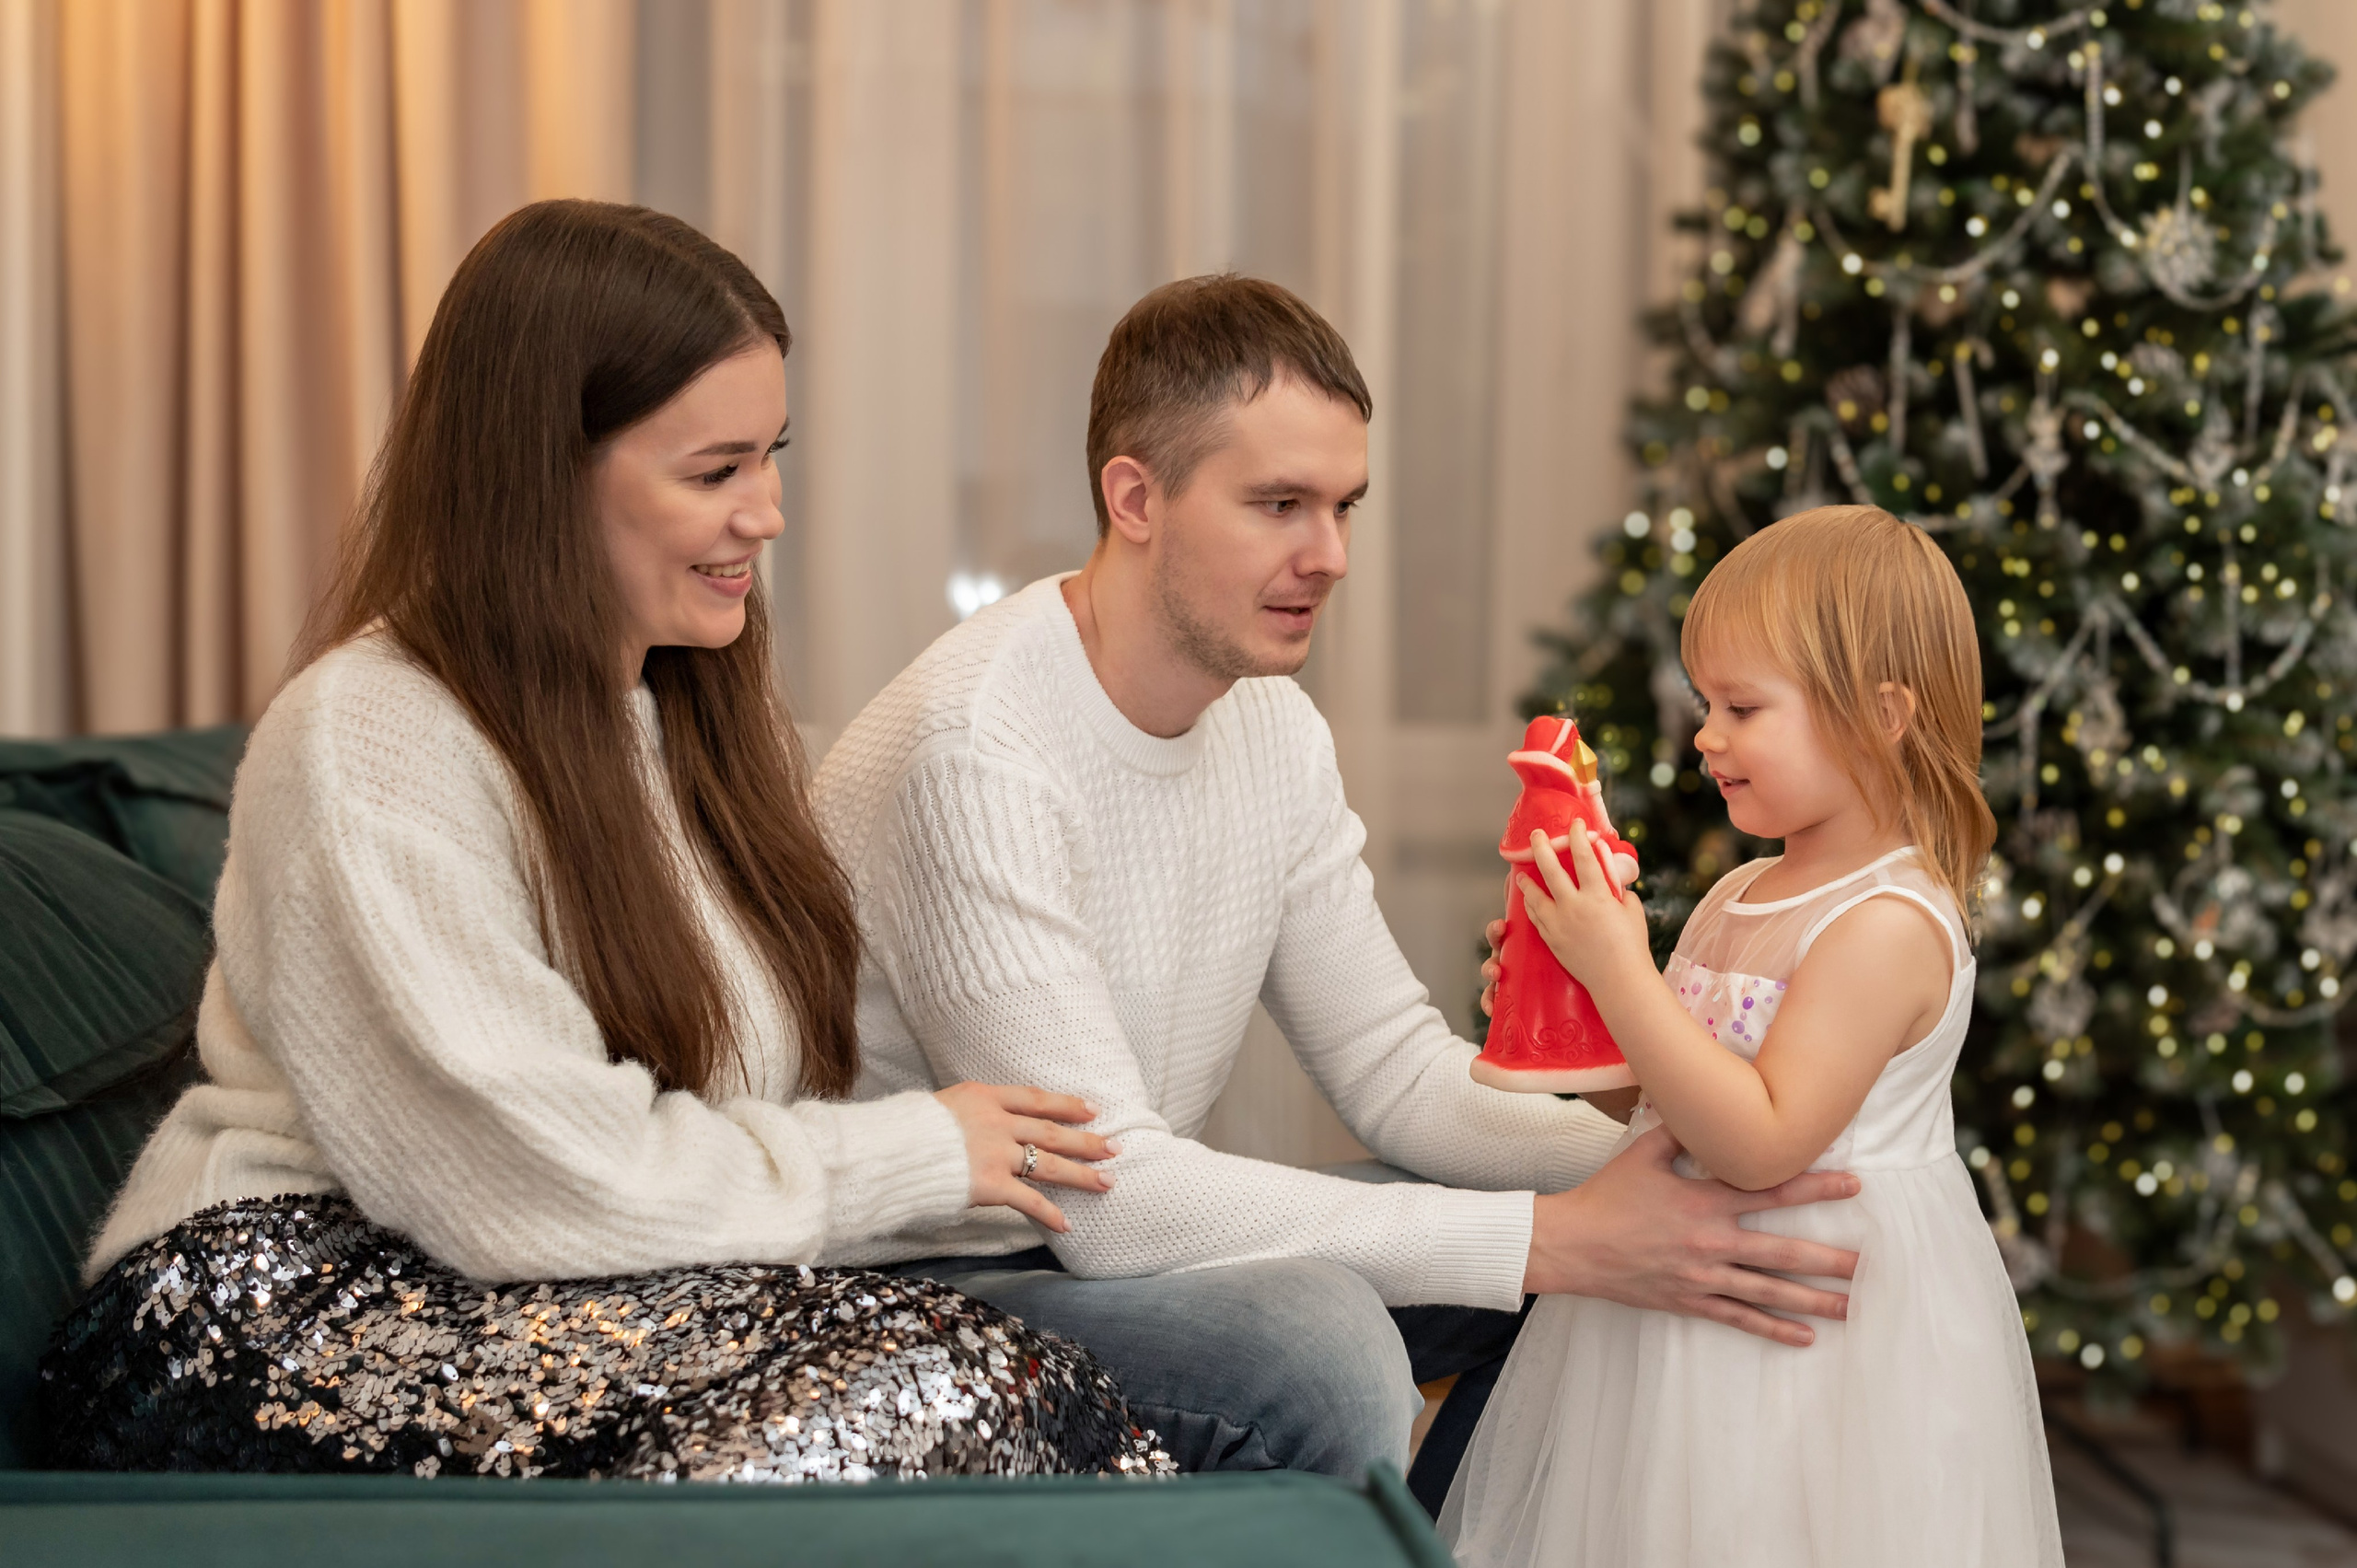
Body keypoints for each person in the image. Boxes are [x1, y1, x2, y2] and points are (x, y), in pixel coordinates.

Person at [41, 201, 1166, 1482]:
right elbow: (526, 1180)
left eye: (772, 454)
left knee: (1029, 1379)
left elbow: (742, 1132)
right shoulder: (368, 734)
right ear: (543, 472)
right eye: (715, 470)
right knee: (942, 1392)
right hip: (270, 1308)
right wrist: (914, 1152)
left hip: (552, 1285)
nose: (769, 513)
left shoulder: (697, 726)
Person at [813, 273, 1864, 1507]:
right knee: (1330, 1340)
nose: (1331, 555)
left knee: (1606, 1238)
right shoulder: (978, 748)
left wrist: (1664, 1161)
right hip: (923, 1281)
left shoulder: (1272, 726)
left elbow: (1396, 1070)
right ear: (1134, 496)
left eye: (1344, 505)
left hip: (1111, 1238)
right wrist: (1559, 1235)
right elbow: (1107, 1202)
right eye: (1279, 505)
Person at [1443, 505, 2063, 1565]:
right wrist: (1573, 1007)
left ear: (1880, 714)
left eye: (1742, 705)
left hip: (1812, 1332)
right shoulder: (1743, 887)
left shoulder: (1885, 924)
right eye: (1704, 702)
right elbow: (1670, 1101)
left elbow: (1762, 1138)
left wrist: (1620, 969)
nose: (1705, 734)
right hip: (1684, 1287)